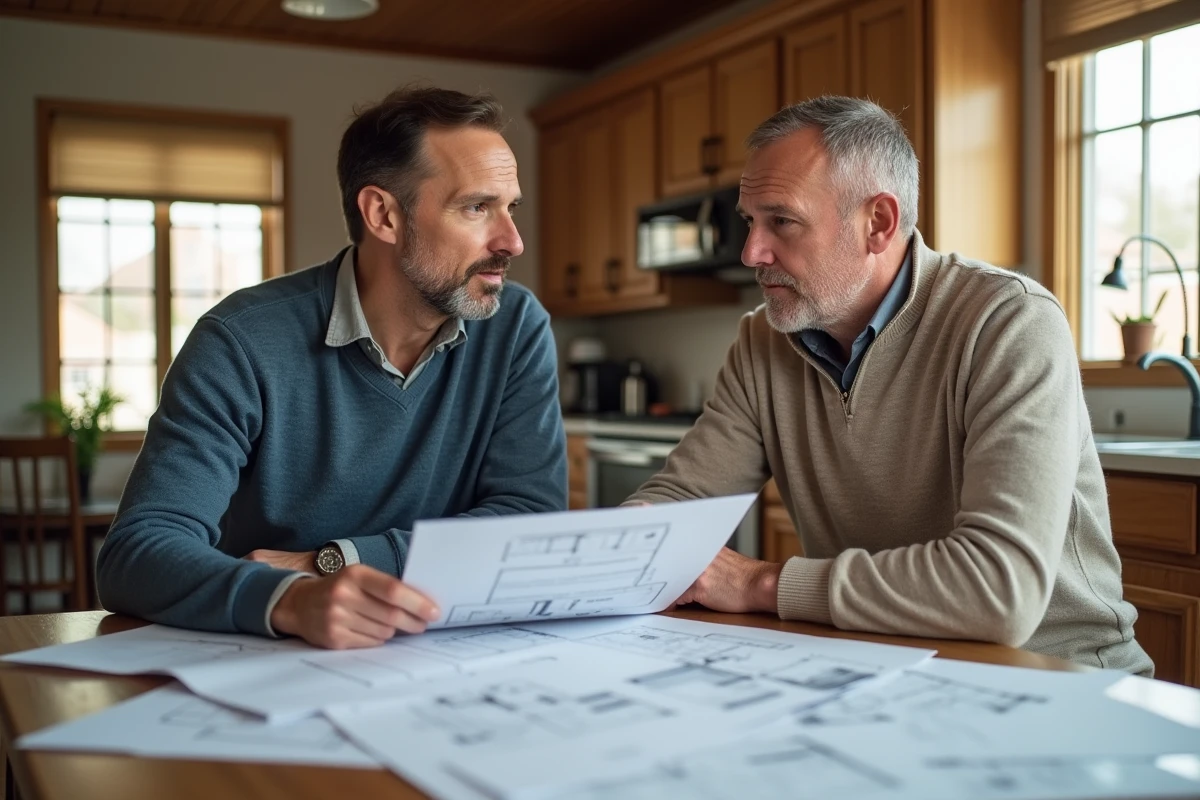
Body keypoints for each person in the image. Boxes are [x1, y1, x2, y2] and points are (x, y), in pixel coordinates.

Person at [627, 96, 1151, 674]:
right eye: (750, 221)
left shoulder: (1008, 322)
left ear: (878, 222)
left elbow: (998, 591)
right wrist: (616, 553)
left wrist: (758, 582)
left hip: (1059, 677)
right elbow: (677, 505)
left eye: (782, 220)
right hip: (884, 666)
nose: (753, 250)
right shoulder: (761, 343)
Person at [97, 86, 567, 649]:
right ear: (383, 214)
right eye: (476, 207)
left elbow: (529, 520)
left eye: (510, 207)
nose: (511, 240)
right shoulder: (242, 339)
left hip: (442, 656)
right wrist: (289, 601)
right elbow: (137, 553)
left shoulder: (516, 327)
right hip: (260, 661)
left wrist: (337, 561)